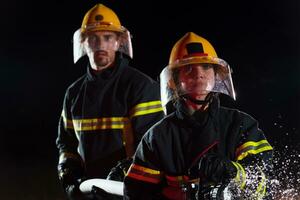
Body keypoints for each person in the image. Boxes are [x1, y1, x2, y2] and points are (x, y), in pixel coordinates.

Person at [124, 32, 273, 199]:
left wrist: (233, 172)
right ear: (173, 80)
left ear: (216, 75)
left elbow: (263, 181)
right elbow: (137, 194)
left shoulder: (241, 125)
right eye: (188, 68)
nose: (198, 74)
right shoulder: (157, 137)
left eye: (206, 67)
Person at [56, 4, 164, 200]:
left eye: (107, 38)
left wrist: (123, 176)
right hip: (89, 191)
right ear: (83, 43)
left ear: (118, 42)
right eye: (93, 38)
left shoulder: (140, 86)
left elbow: (152, 146)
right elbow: (67, 143)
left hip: (129, 189)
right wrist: (68, 172)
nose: (101, 45)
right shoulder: (74, 93)